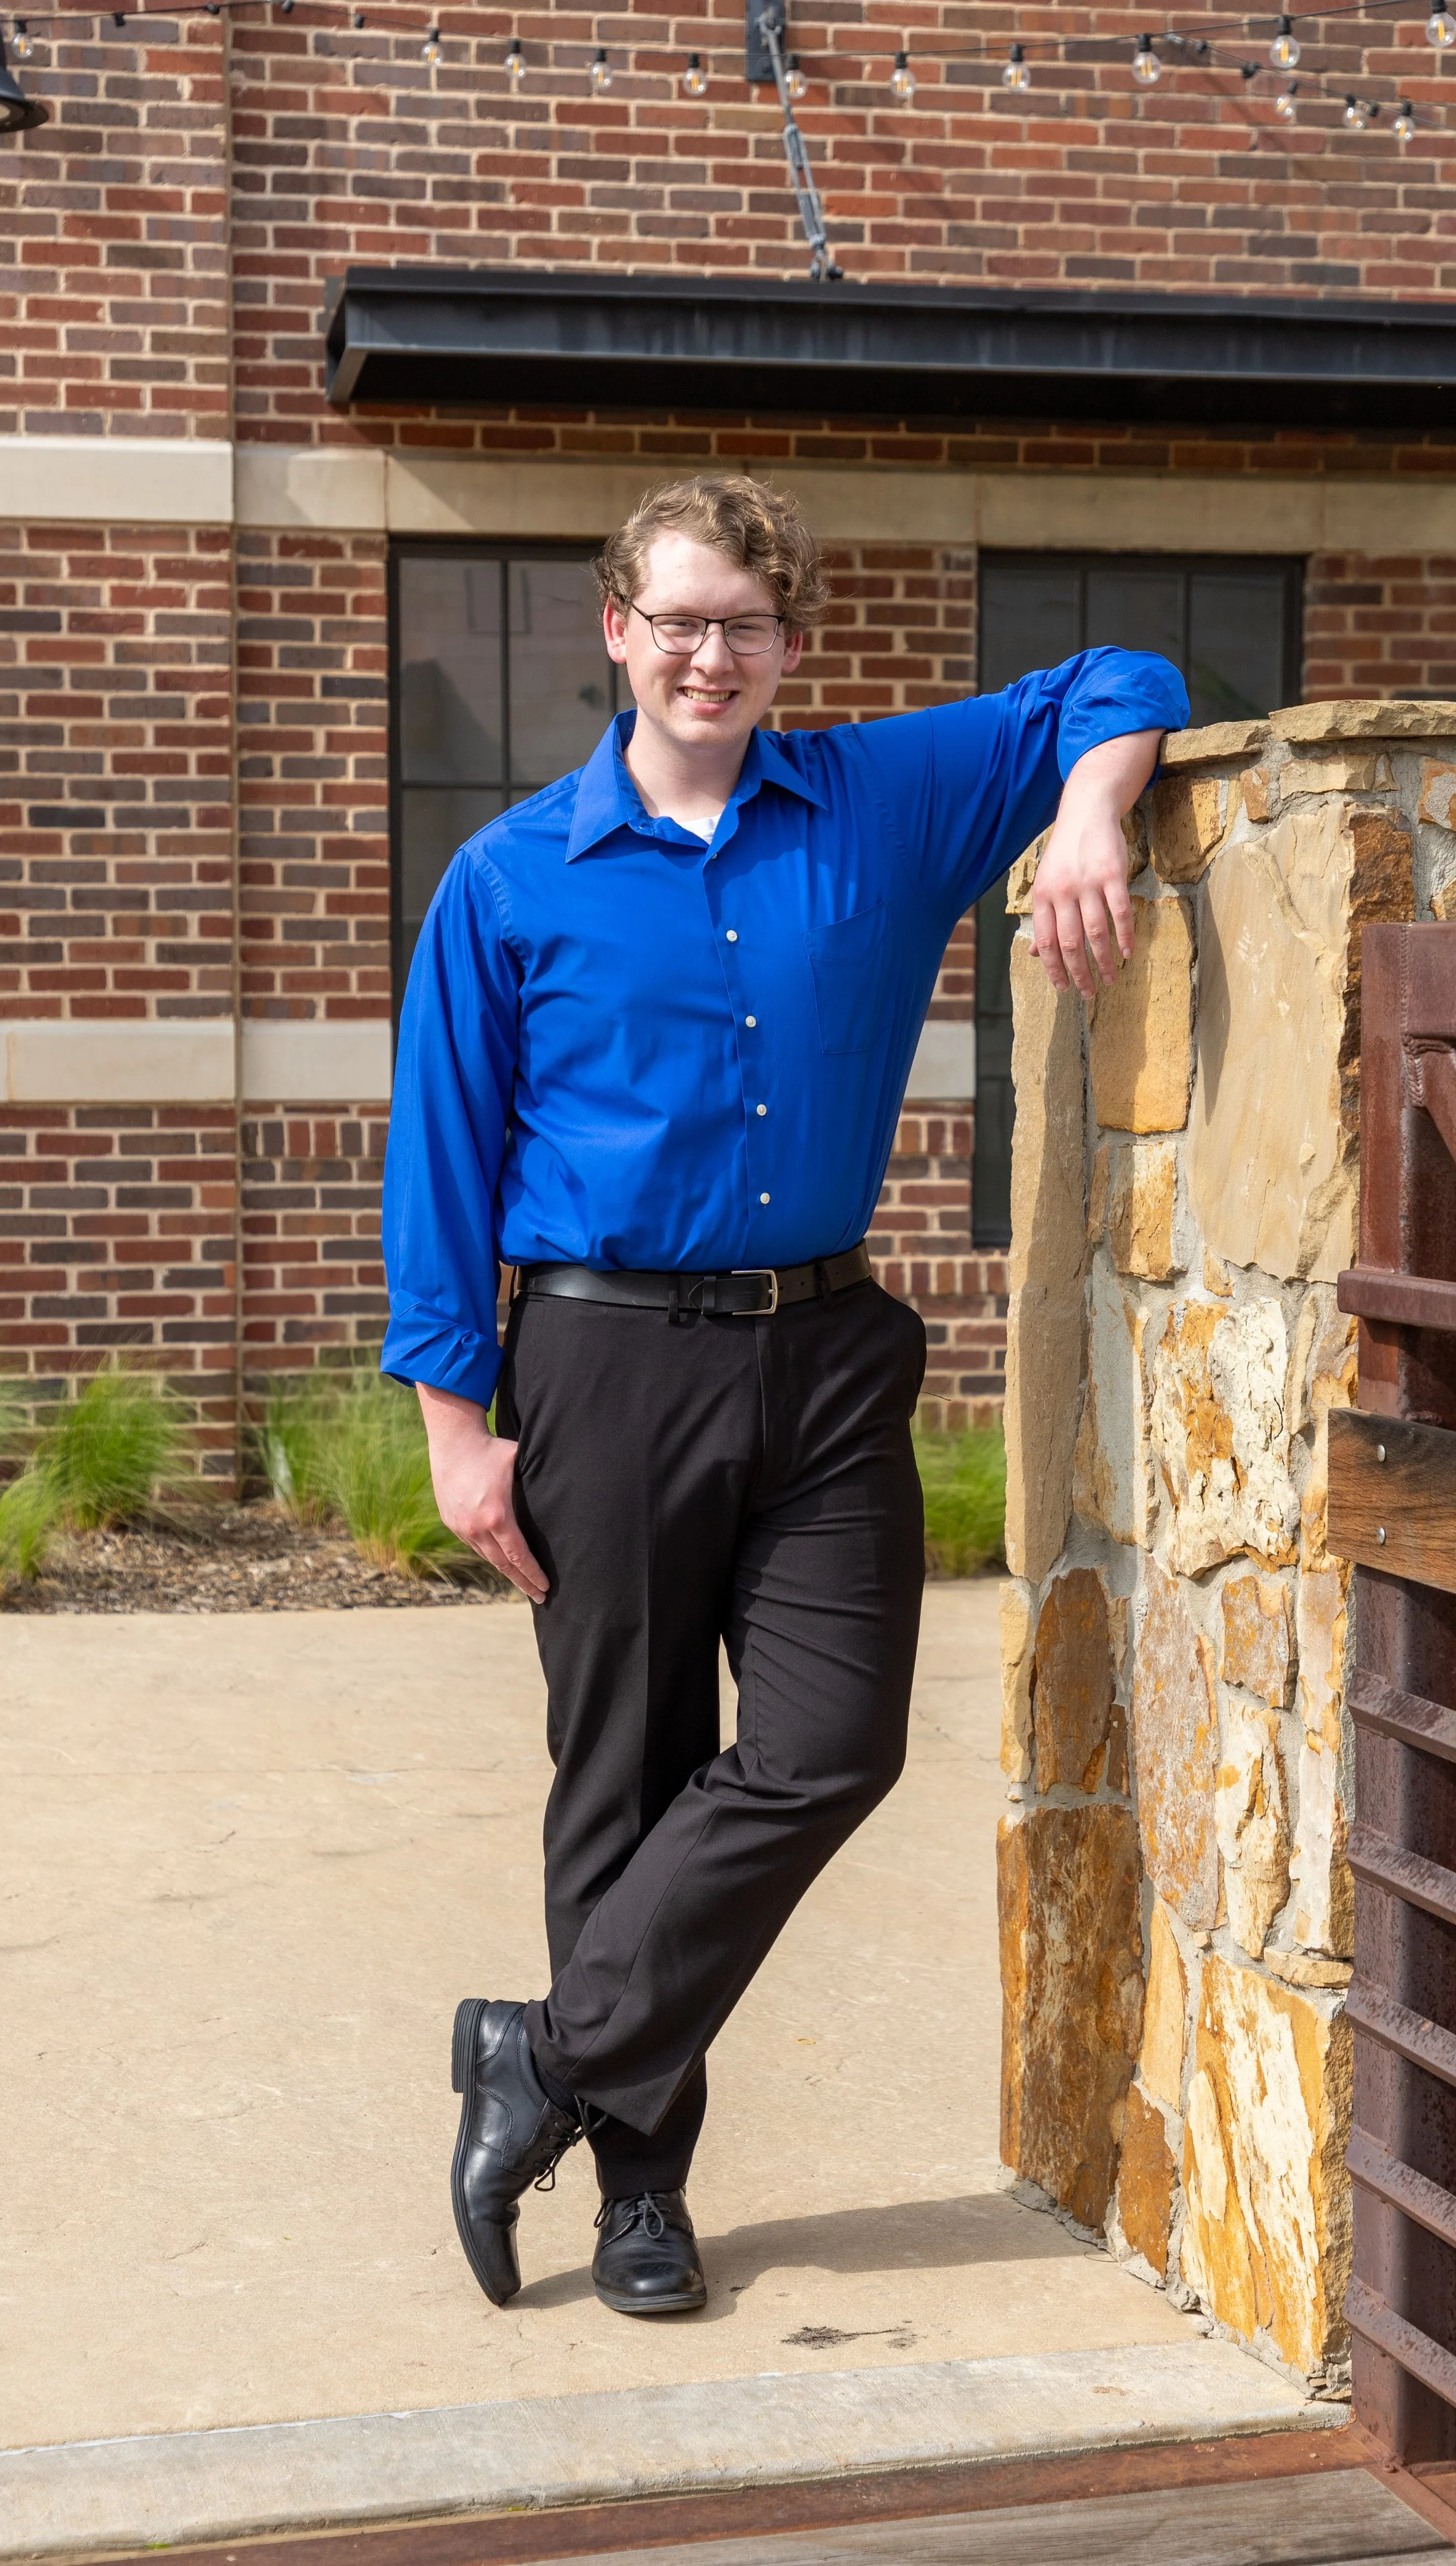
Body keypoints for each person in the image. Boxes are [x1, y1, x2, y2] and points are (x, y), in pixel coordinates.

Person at [380, 475, 1188, 2321]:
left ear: (789, 643)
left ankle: (554, 2056)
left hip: (828, 1359)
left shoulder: (884, 800)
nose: (706, 653)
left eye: (741, 622)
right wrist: (456, 1429)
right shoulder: (511, 876)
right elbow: (437, 1156)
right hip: (602, 1358)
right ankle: (642, 2192)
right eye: (673, 618)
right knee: (629, 1776)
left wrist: (1082, 816)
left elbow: (1122, 673)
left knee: (832, 1741)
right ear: (616, 630)